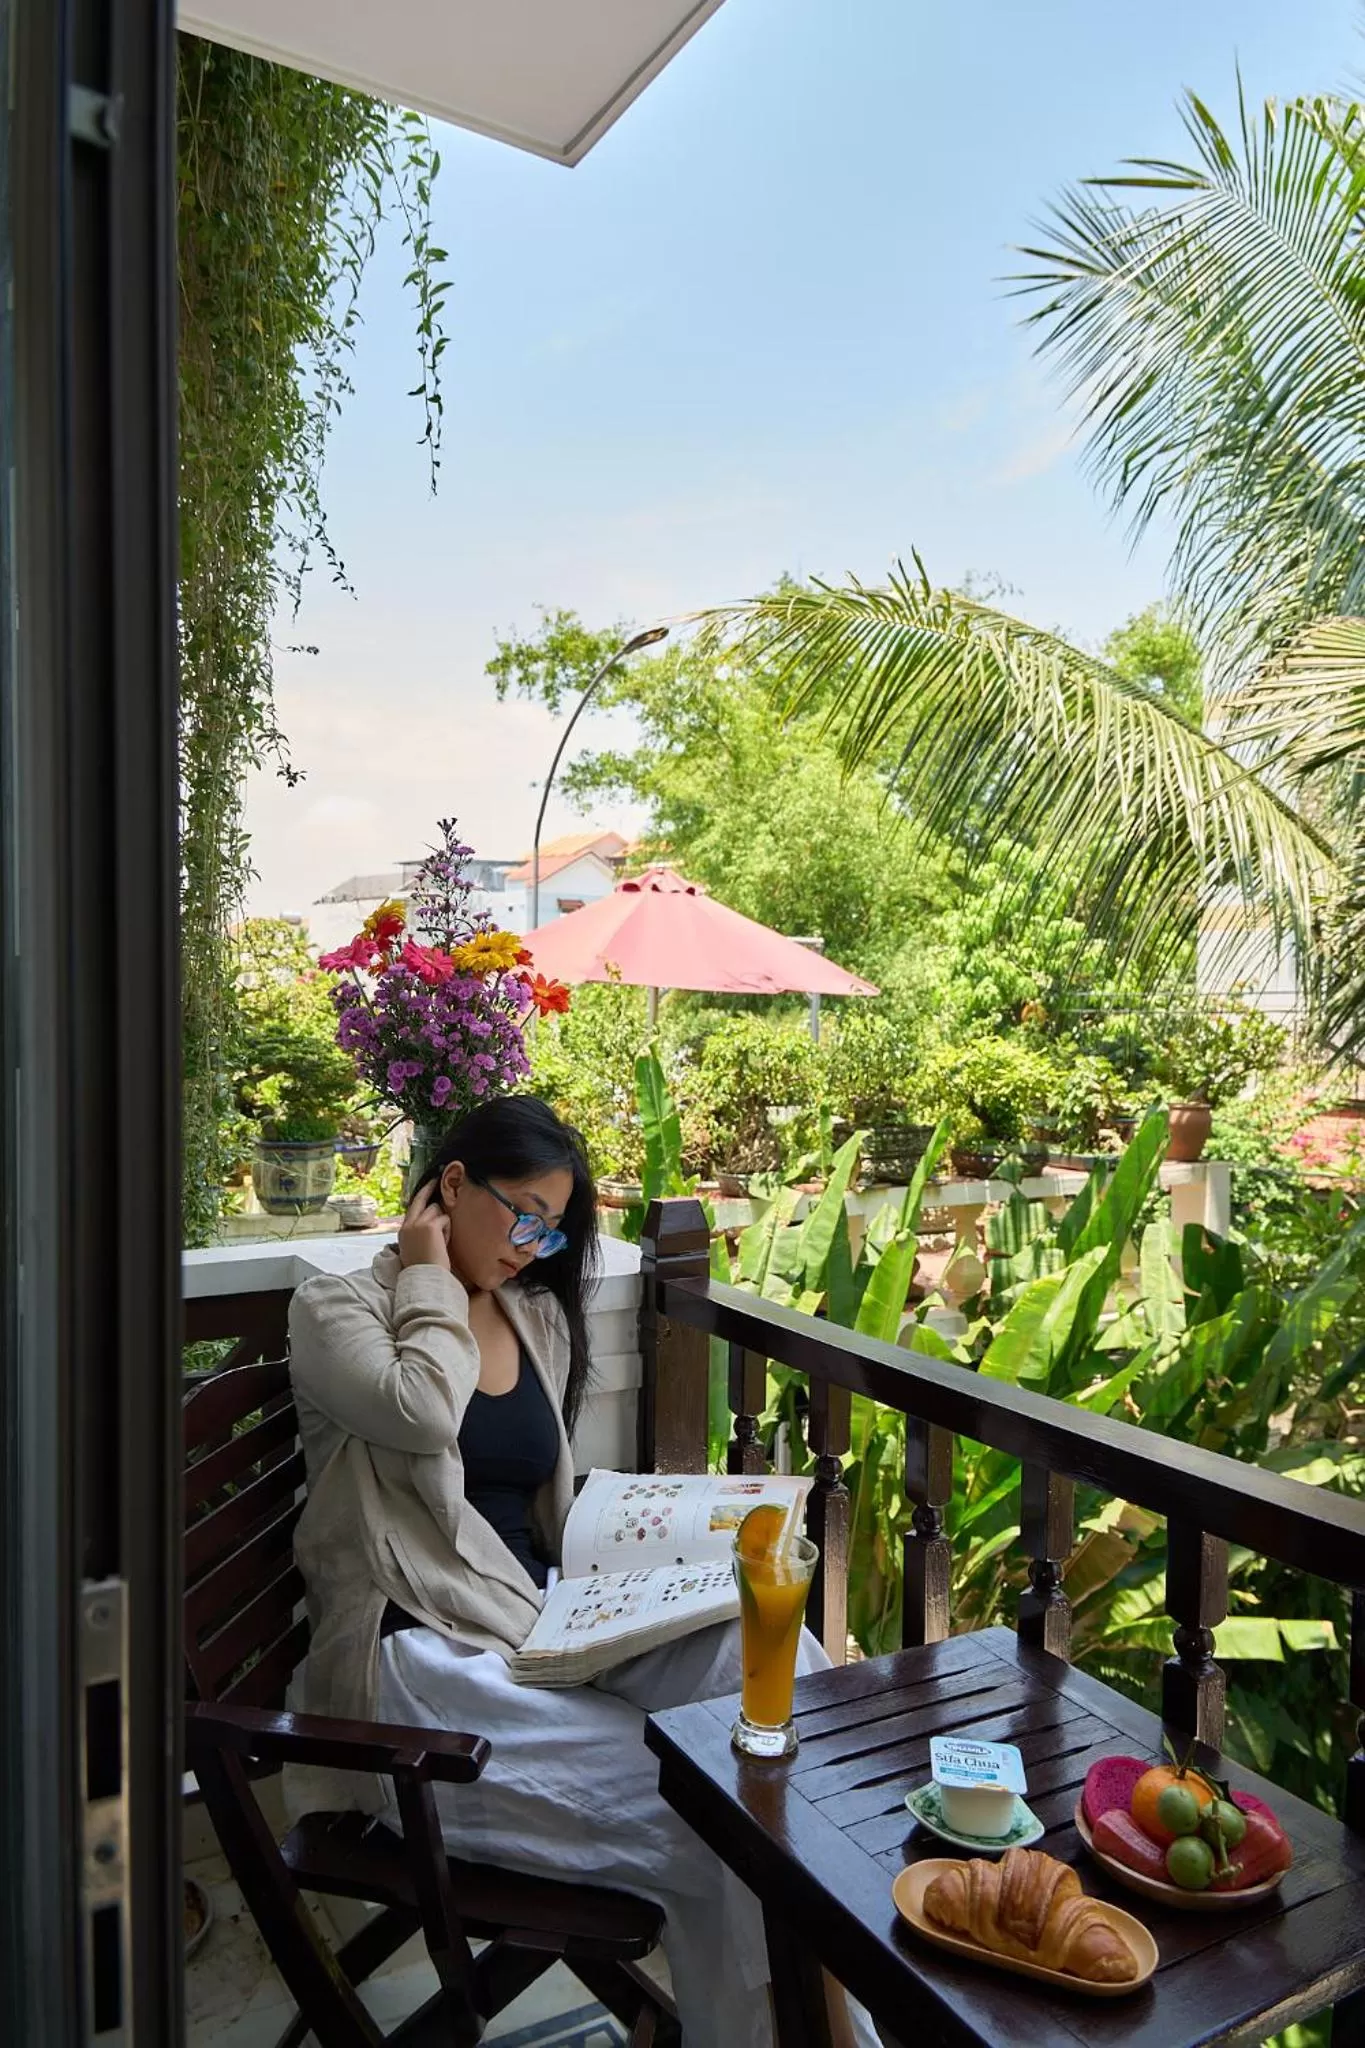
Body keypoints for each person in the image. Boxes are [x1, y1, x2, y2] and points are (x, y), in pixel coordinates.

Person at [285, 1094, 877, 2048]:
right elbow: (422, 1412)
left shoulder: (531, 1317)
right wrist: (428, 1275)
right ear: (449, 1186)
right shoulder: (337, 1308)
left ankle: (832, 2019)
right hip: (424, 1662)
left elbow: (542, 1507)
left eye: (550, 1230)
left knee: (766, 1659)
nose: (532, 1247)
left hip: (539, 1618)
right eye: (522, 1215)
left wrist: (665, 1548)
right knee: (722, 1824)